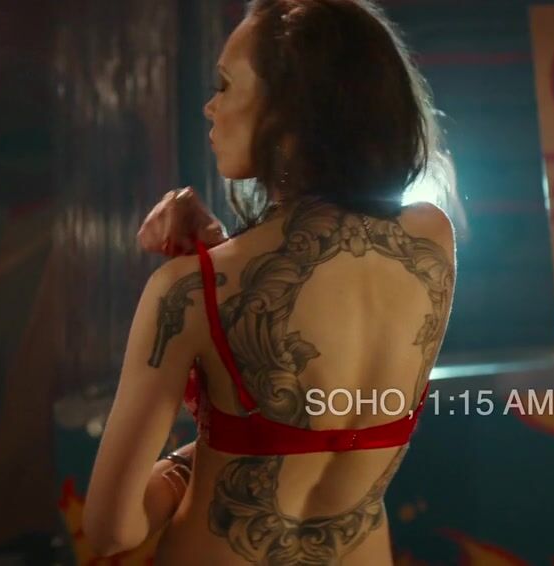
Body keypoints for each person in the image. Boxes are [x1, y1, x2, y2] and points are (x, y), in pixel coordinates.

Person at [83, 0, 459, 564]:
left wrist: (190, 465)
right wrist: (218, 247)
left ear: (289, 110)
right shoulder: (432, 239)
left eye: (224, 86)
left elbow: (113, 529)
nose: (210, 107)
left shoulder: (187, 291)